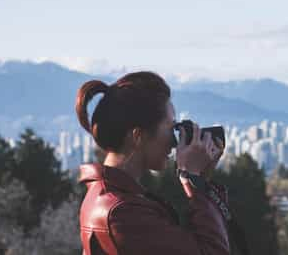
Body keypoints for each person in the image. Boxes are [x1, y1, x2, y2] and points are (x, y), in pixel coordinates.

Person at [75, 71, 230, 255]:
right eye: (170, 128)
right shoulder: (122, 212)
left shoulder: (111, 198)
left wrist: (201, 181)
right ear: (138, 136)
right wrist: (192, 181)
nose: (174, 142)